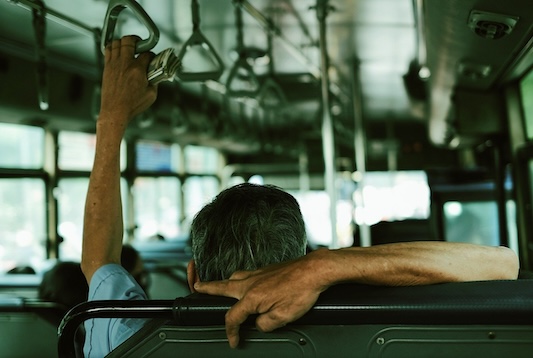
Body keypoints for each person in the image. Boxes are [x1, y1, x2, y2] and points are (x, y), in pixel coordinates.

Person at [81, 35, 519, 356]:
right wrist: (330, 264)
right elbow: (501, 264)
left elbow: (100, 260)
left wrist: (111, 117)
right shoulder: (369, 335)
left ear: (192, 274)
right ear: (303, 263)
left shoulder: (129, 338)